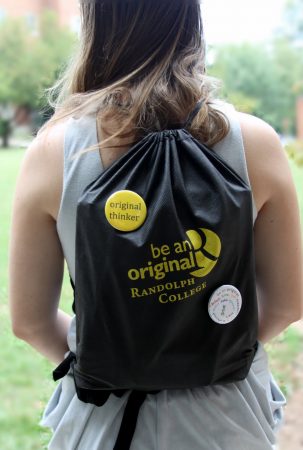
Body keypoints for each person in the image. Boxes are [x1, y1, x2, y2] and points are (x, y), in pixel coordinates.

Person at [8, 0, 303, 449]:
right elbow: (287, 302)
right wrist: (208, 347)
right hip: (229, 422)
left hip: (105, 421)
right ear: (190, 21)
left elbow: (29, 322)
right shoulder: (255, 144)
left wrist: (118, 355)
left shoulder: (55, 154)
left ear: (95, 24)